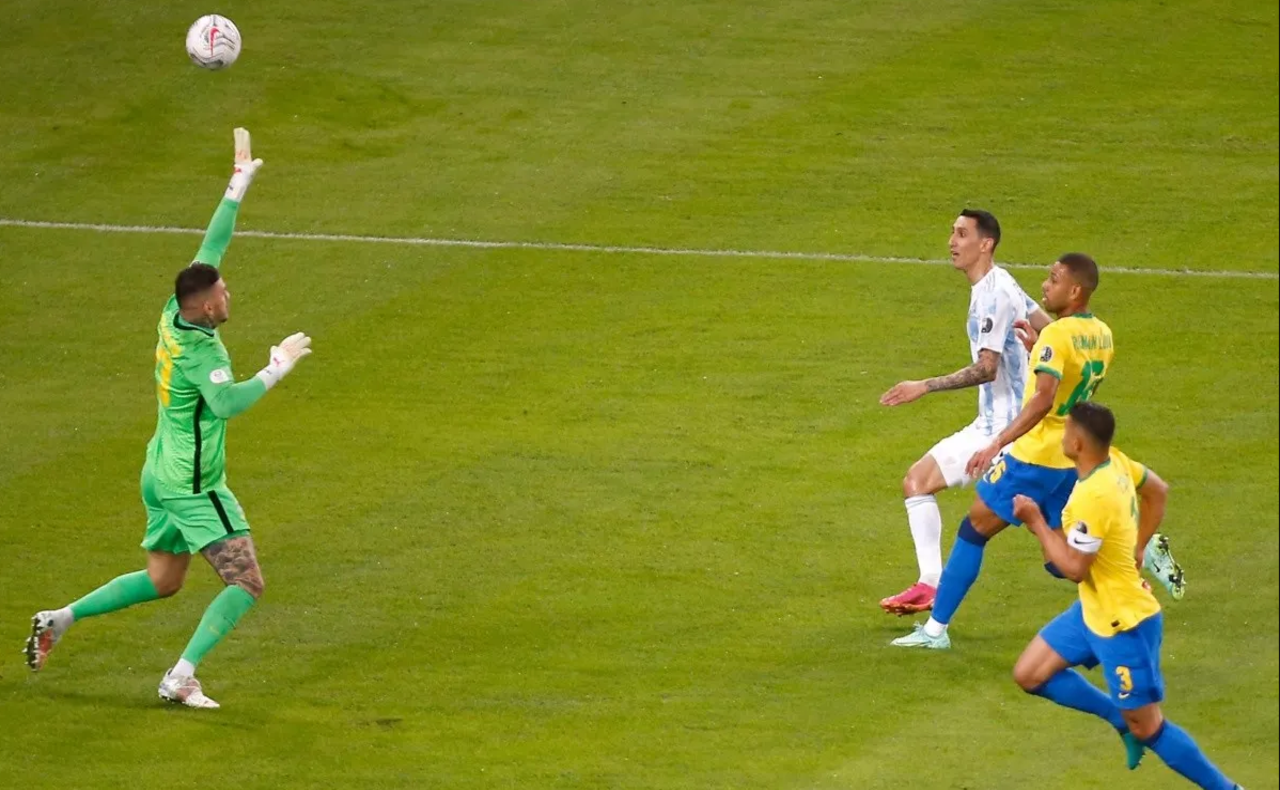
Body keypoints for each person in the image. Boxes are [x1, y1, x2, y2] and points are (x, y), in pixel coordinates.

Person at [24, 129, 312, 710]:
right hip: (192, 482)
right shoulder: (200, 352)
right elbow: (226, 404)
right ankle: (180, 677)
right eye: (223, 292)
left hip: (159, 468)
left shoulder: (173, 312)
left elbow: (213, 245)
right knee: (246, 581)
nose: (228, 293)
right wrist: (277, 365)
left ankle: (61, 618)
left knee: (164, 580)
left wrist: (237, 184)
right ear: (205, 306)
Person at [1012, 403, 1241, 789]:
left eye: (1066, 431)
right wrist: (1138, 547)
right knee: (1030, 674)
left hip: (1123, 623)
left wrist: (1035, 522)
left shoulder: (1093, 497)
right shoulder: (1115, 462)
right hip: (1093, 608)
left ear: (1078, 443)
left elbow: (1073, 568)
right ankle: (1118, 717)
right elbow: (1157, 490)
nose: (1062, 435)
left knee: (1149, 728)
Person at [892, 253, 1112, 648]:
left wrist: (997, 442)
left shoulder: (1057, 336)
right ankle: (1127, 574)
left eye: (1054, 279)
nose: (1045, 285)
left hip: (1034, 456)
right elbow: (1073, 381)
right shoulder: (1102, 334)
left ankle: (935, 630)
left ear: (1075, 290)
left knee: (973, 529)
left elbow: (1043, 400)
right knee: (1059, 558)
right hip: (1069, 458)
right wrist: (1038, 348)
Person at [879, 210, 1050, 614]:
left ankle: (1134, 557)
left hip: (1008, 431)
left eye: (961, 234)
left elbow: (987, 368)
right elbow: (1048, 326)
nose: (952, 242)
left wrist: (925, 385)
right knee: (917, 481)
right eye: (952, 233)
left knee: (1049, 522)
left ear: (985, 244)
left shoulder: (995, 293)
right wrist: (1041, 351)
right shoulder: (1001, 282)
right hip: (993, 424)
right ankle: (929, 584)